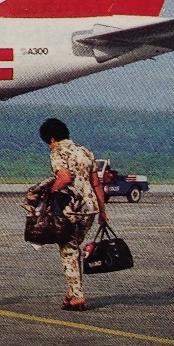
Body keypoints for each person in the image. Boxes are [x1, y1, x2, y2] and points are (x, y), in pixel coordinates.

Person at [40, 118, 109, 312]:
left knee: (68, 250)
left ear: (52, 139)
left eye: (48, 142)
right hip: (90, 208)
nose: (49, 146)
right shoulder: (86, 151)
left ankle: (77, 296)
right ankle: (72, 292)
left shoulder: (58, 152)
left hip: (72, 207)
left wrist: (50, 193)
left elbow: (64, 178)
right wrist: (103, 212)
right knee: (73, 248)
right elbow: (96, 184)